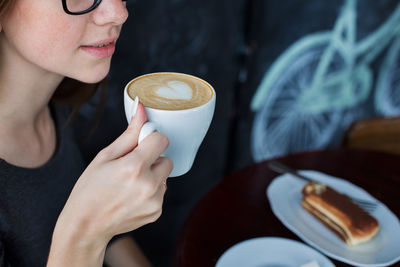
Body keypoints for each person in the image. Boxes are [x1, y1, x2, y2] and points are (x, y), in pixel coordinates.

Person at [0, 0, 173, 266]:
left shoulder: (59, 105)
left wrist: (100, 223)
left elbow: (111, 236)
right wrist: (85, 235)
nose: (119, 13)